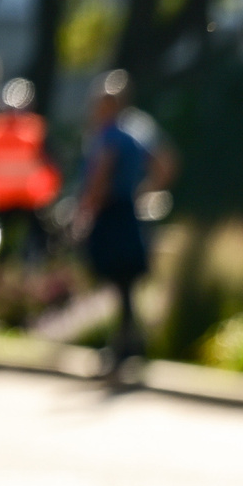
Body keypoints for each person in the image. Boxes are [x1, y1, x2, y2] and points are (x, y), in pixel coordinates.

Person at [77, 70, 175, 370]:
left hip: (112, 213)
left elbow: (101, 174)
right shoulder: (136, 133)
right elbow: (165, 162)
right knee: (126, 284)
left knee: (118, 279)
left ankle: (125, 344)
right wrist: (146, 191)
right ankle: (130, 341)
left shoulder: (108, 136)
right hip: (128, 212)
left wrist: (86, 207)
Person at [0, 78, 61, 259]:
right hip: (28, 196)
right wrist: (50, 191)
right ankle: (36, 266)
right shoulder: (35, 129)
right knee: (38, 240)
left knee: (2, 242)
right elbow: (52, 162)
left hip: (2, 197)